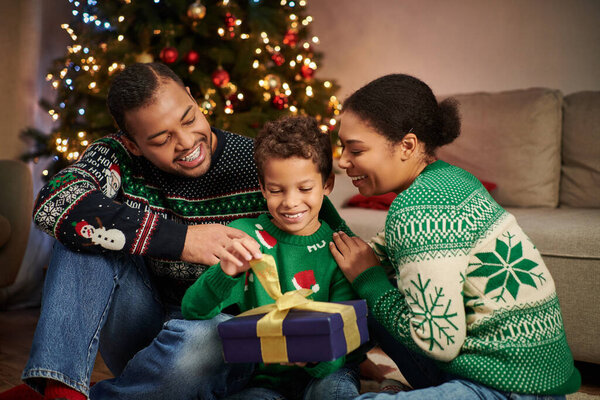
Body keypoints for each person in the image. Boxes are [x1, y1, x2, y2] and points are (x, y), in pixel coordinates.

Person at [22, 63, 350, 400]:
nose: (187, 142)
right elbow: (54, 202)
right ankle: (61, 390)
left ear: (193, 98)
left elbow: (335, 247)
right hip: (139, 326)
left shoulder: (261, 164)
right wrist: (183, 240)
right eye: (162, 139)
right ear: (132, 144)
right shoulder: (117, 156)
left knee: (207, 336)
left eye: (189, 118)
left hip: (215, 343)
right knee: (82, 233)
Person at [328, 74, 581, 399]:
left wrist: (370, 281)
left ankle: (373, 385)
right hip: (524, 372)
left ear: (407, 145)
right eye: (342, 146)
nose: (343, 160)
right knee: (362, 284)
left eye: (356, 149)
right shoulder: (448, 178)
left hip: (509, 384)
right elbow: (368, 256)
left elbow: (437, 341)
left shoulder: (419, 209)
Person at [182, 115, 362, 400]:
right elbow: (194, 311)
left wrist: (314, 357)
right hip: (261, 380)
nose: (290, 202)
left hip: (326, 371)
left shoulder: (337, 249)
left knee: (333, 393)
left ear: (327, 184)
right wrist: (225, 272)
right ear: (263, 187)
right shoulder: (244, 237)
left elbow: (347, 340)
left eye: (305, 189)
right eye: (276, 190)